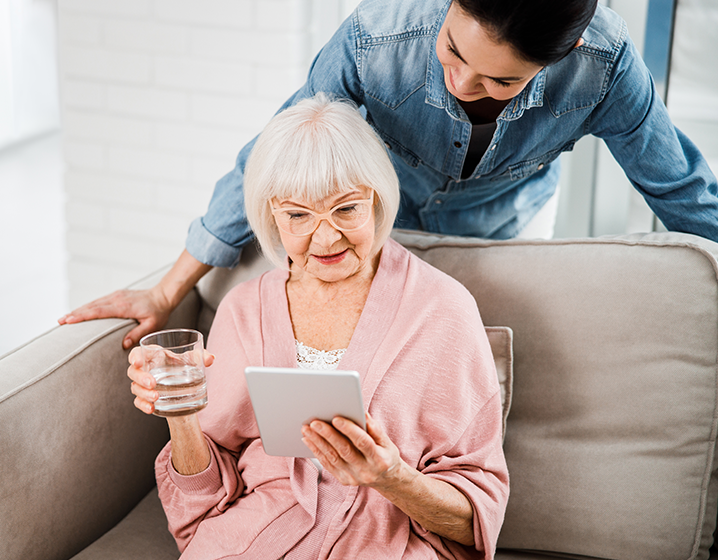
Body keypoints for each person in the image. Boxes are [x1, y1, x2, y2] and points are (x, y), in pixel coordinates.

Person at [59, 0, 718, 348]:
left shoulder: (605, 69)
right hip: (383, 236)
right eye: (455, 52)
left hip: (501, 235)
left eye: (500, 81)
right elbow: (275, 155)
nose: (464, 83)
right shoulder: (376, 39)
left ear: (565, 53)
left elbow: (681, 189)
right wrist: (168, 288)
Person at [126, 94, 509, 559]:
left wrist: (391, 477)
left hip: (384, 542)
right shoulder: (244, 308)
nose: (325, 238)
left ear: (377, 200)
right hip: (253, 538)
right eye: (298, 216)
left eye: (346, 209)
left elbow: (474, 520)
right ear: (271, 215)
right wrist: (181, 414)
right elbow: (205, 500)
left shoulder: (444, 309)